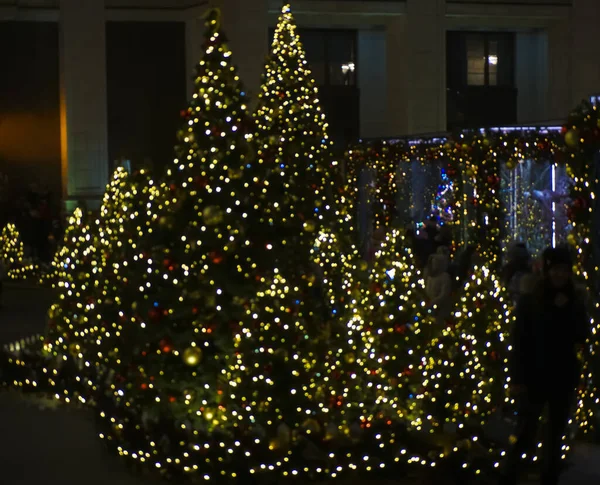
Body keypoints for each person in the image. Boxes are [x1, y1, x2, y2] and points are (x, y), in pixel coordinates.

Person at [498, 246, 590, 485]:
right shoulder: (531, 301)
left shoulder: (574, 300)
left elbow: (582, 335)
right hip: (535, 375)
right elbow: (519, 341)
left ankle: (548, 478)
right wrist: (517, 377)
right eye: (556, 269)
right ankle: (510, 476)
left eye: (564, 270)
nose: (560, 275)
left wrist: (569, 310)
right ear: (548, 271)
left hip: (562, 375)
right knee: (525, 432)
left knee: (555, 435)